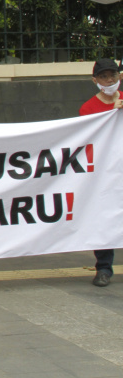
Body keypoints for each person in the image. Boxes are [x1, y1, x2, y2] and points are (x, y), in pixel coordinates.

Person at [79, 57, 123, 287]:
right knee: (104, 218)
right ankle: (104, 268)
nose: (109, 80)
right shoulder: (88, 109)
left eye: (112, 76)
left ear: (119, 76)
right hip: (105, 173)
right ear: (95, 80)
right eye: (104, 77)